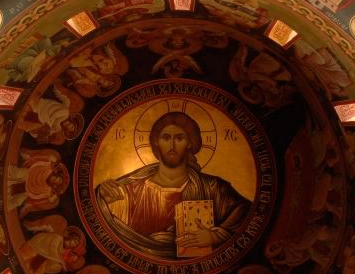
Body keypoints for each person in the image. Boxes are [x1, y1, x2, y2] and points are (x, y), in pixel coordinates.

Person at [96, 111, 250, 259]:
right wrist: (102, 198)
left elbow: (246, 212)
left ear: (189, 143)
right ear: (156, 142)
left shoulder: (213, 188)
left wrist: (214, 236)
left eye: (179, 138)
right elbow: (104, 219)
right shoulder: (131, 190)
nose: (172, 145)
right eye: (166, 138)